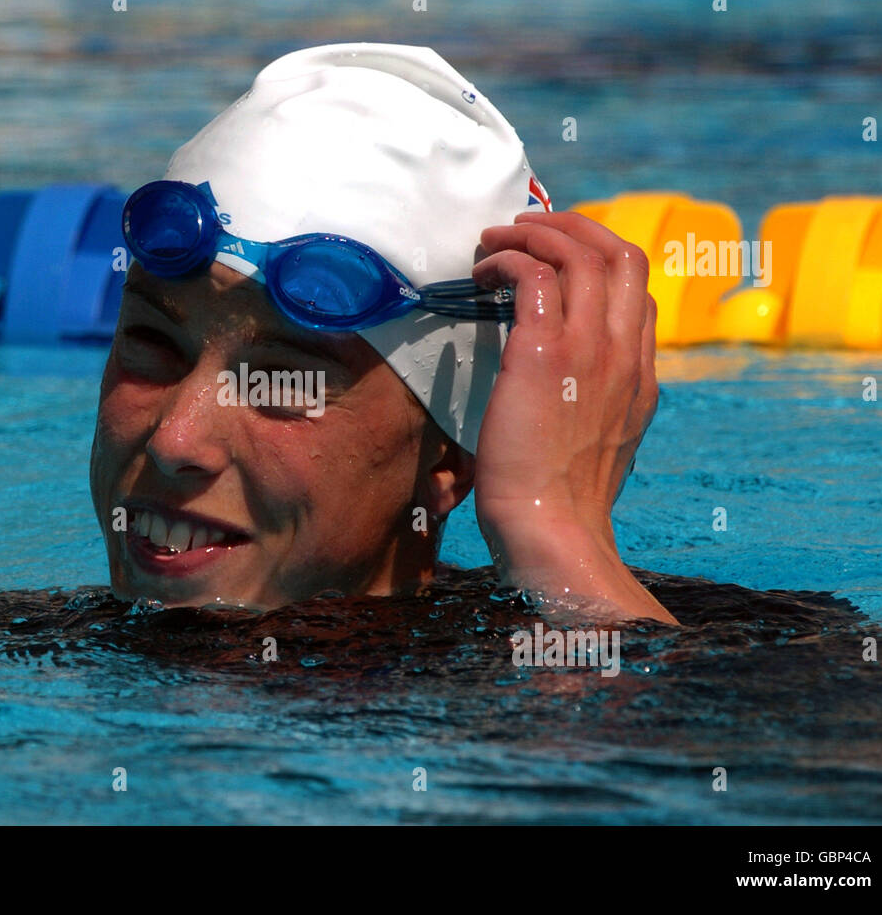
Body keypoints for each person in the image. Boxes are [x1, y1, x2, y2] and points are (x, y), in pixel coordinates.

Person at [88, 43, 678, 626]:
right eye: (154, 346)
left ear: (449, 461)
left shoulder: (693, 657)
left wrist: (553, 530)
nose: (174, 441)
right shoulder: (17, 649)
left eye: (280, 383)